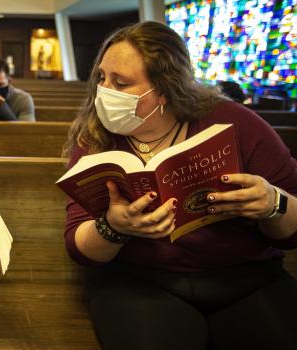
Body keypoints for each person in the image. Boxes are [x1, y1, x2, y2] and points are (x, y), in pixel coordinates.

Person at [62, 21, 297, 350]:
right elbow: (78, 246)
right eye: (102, 77)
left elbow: (292, 231)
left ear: (164, 88)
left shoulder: (238, 123)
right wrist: (113, 226)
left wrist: (273, 203)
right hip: (140, 282)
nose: (104, 90)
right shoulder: (96, 138)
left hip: (247, 277)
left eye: (121, 82)